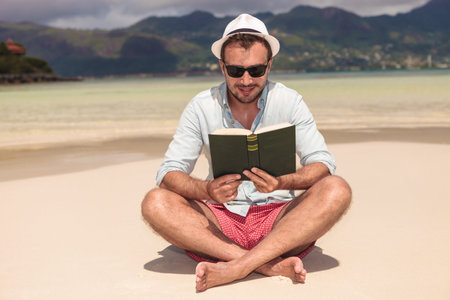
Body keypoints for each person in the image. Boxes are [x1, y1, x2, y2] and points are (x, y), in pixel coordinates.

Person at [141, 13, 352, 292]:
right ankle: (267, 265)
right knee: (155, 202)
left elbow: (322, 164)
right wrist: (207, 190)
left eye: (256, 70)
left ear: (269, 65)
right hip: (221, 219)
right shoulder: (201, 106)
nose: (246, 79)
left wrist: (282, 183)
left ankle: (236, 267)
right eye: (235, 70)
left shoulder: (289, 101)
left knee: (337, 189)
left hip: (280, 220)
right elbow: (169, 173)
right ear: (222, 66)